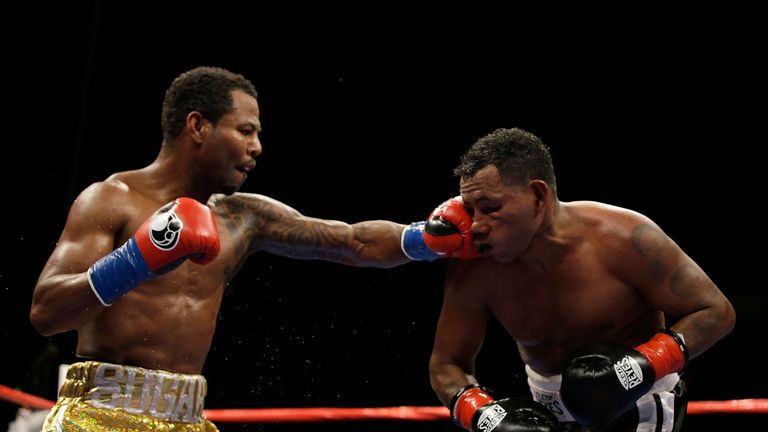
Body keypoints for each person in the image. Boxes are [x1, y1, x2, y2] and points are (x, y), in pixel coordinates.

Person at [28, 66, 476, 432]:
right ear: (198, 126)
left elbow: (351, 240)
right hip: (97, 415)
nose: (257, 147)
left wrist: (424, 239)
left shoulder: (243, 217)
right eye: (245, 131)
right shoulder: (111, 199)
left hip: (186, 418)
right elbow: (46, 313)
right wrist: (137, 258)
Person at [427, 128, 736, 432]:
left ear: (538, 196)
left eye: (491, 208)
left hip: (640, 404)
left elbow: (715, 311)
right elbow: (447, 364)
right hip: (545, 415)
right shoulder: (474, 268)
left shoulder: (623, 238)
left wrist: (641, 365)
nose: (477, 225)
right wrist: (480, 413)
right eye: (470, 209)